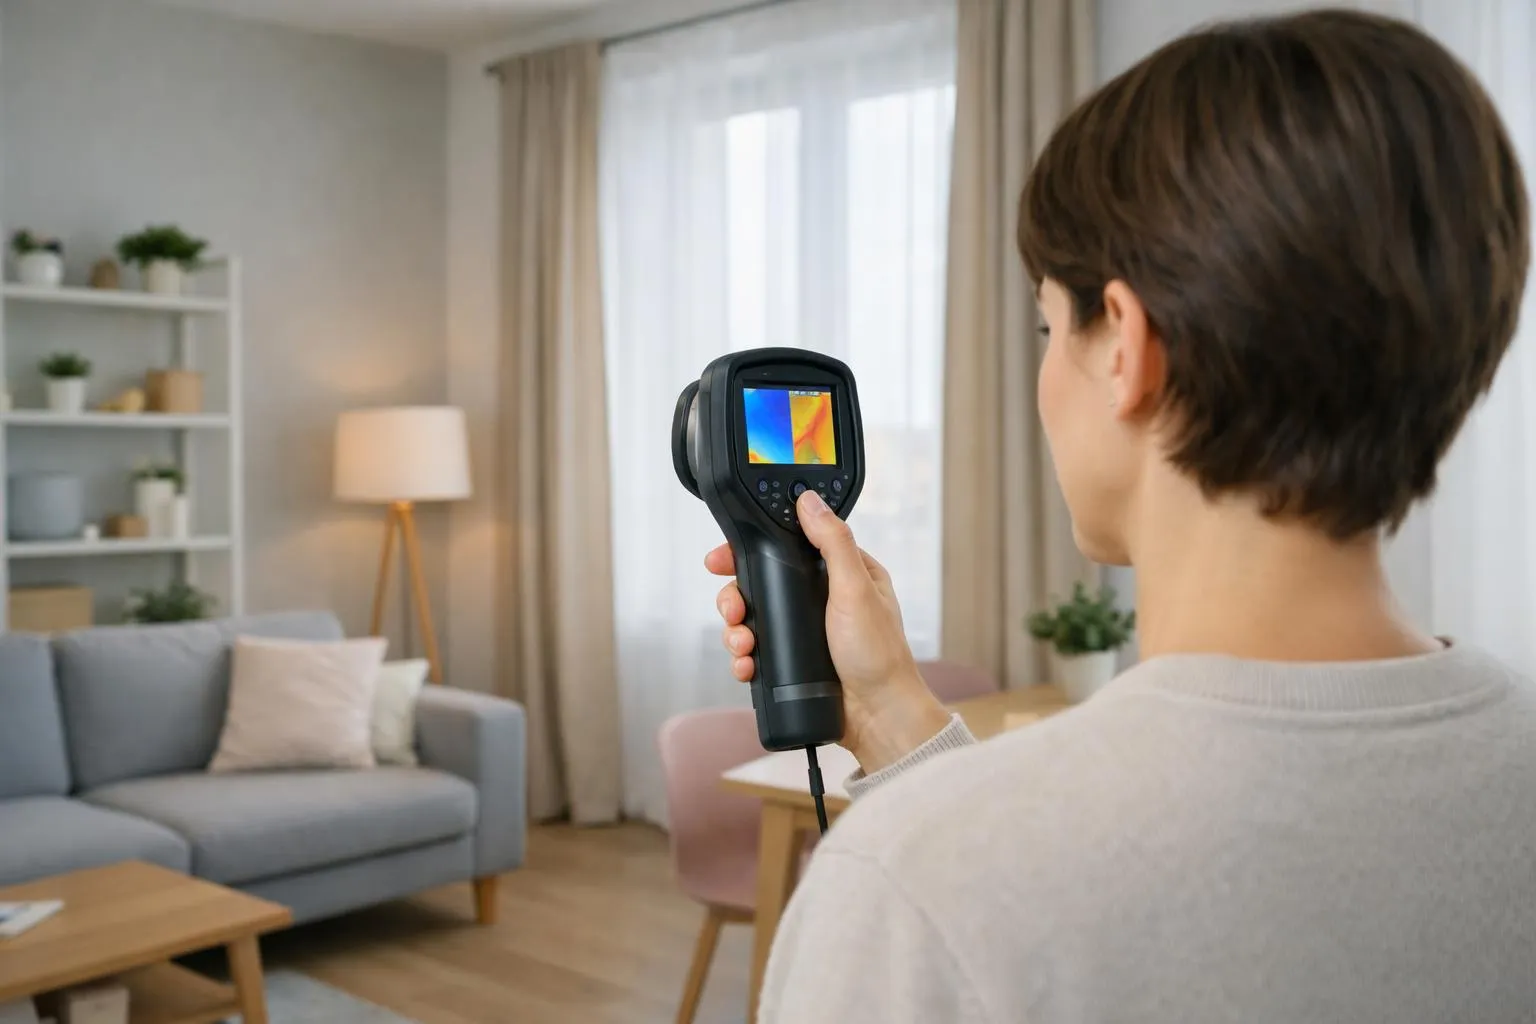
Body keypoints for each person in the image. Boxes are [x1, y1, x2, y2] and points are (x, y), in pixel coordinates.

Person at [706, 8, 1536, 1022]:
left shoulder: (906, 891)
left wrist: (924, 833)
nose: (1046, 368)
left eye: (1051, 324)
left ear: (1125, 349)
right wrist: (889, 718)